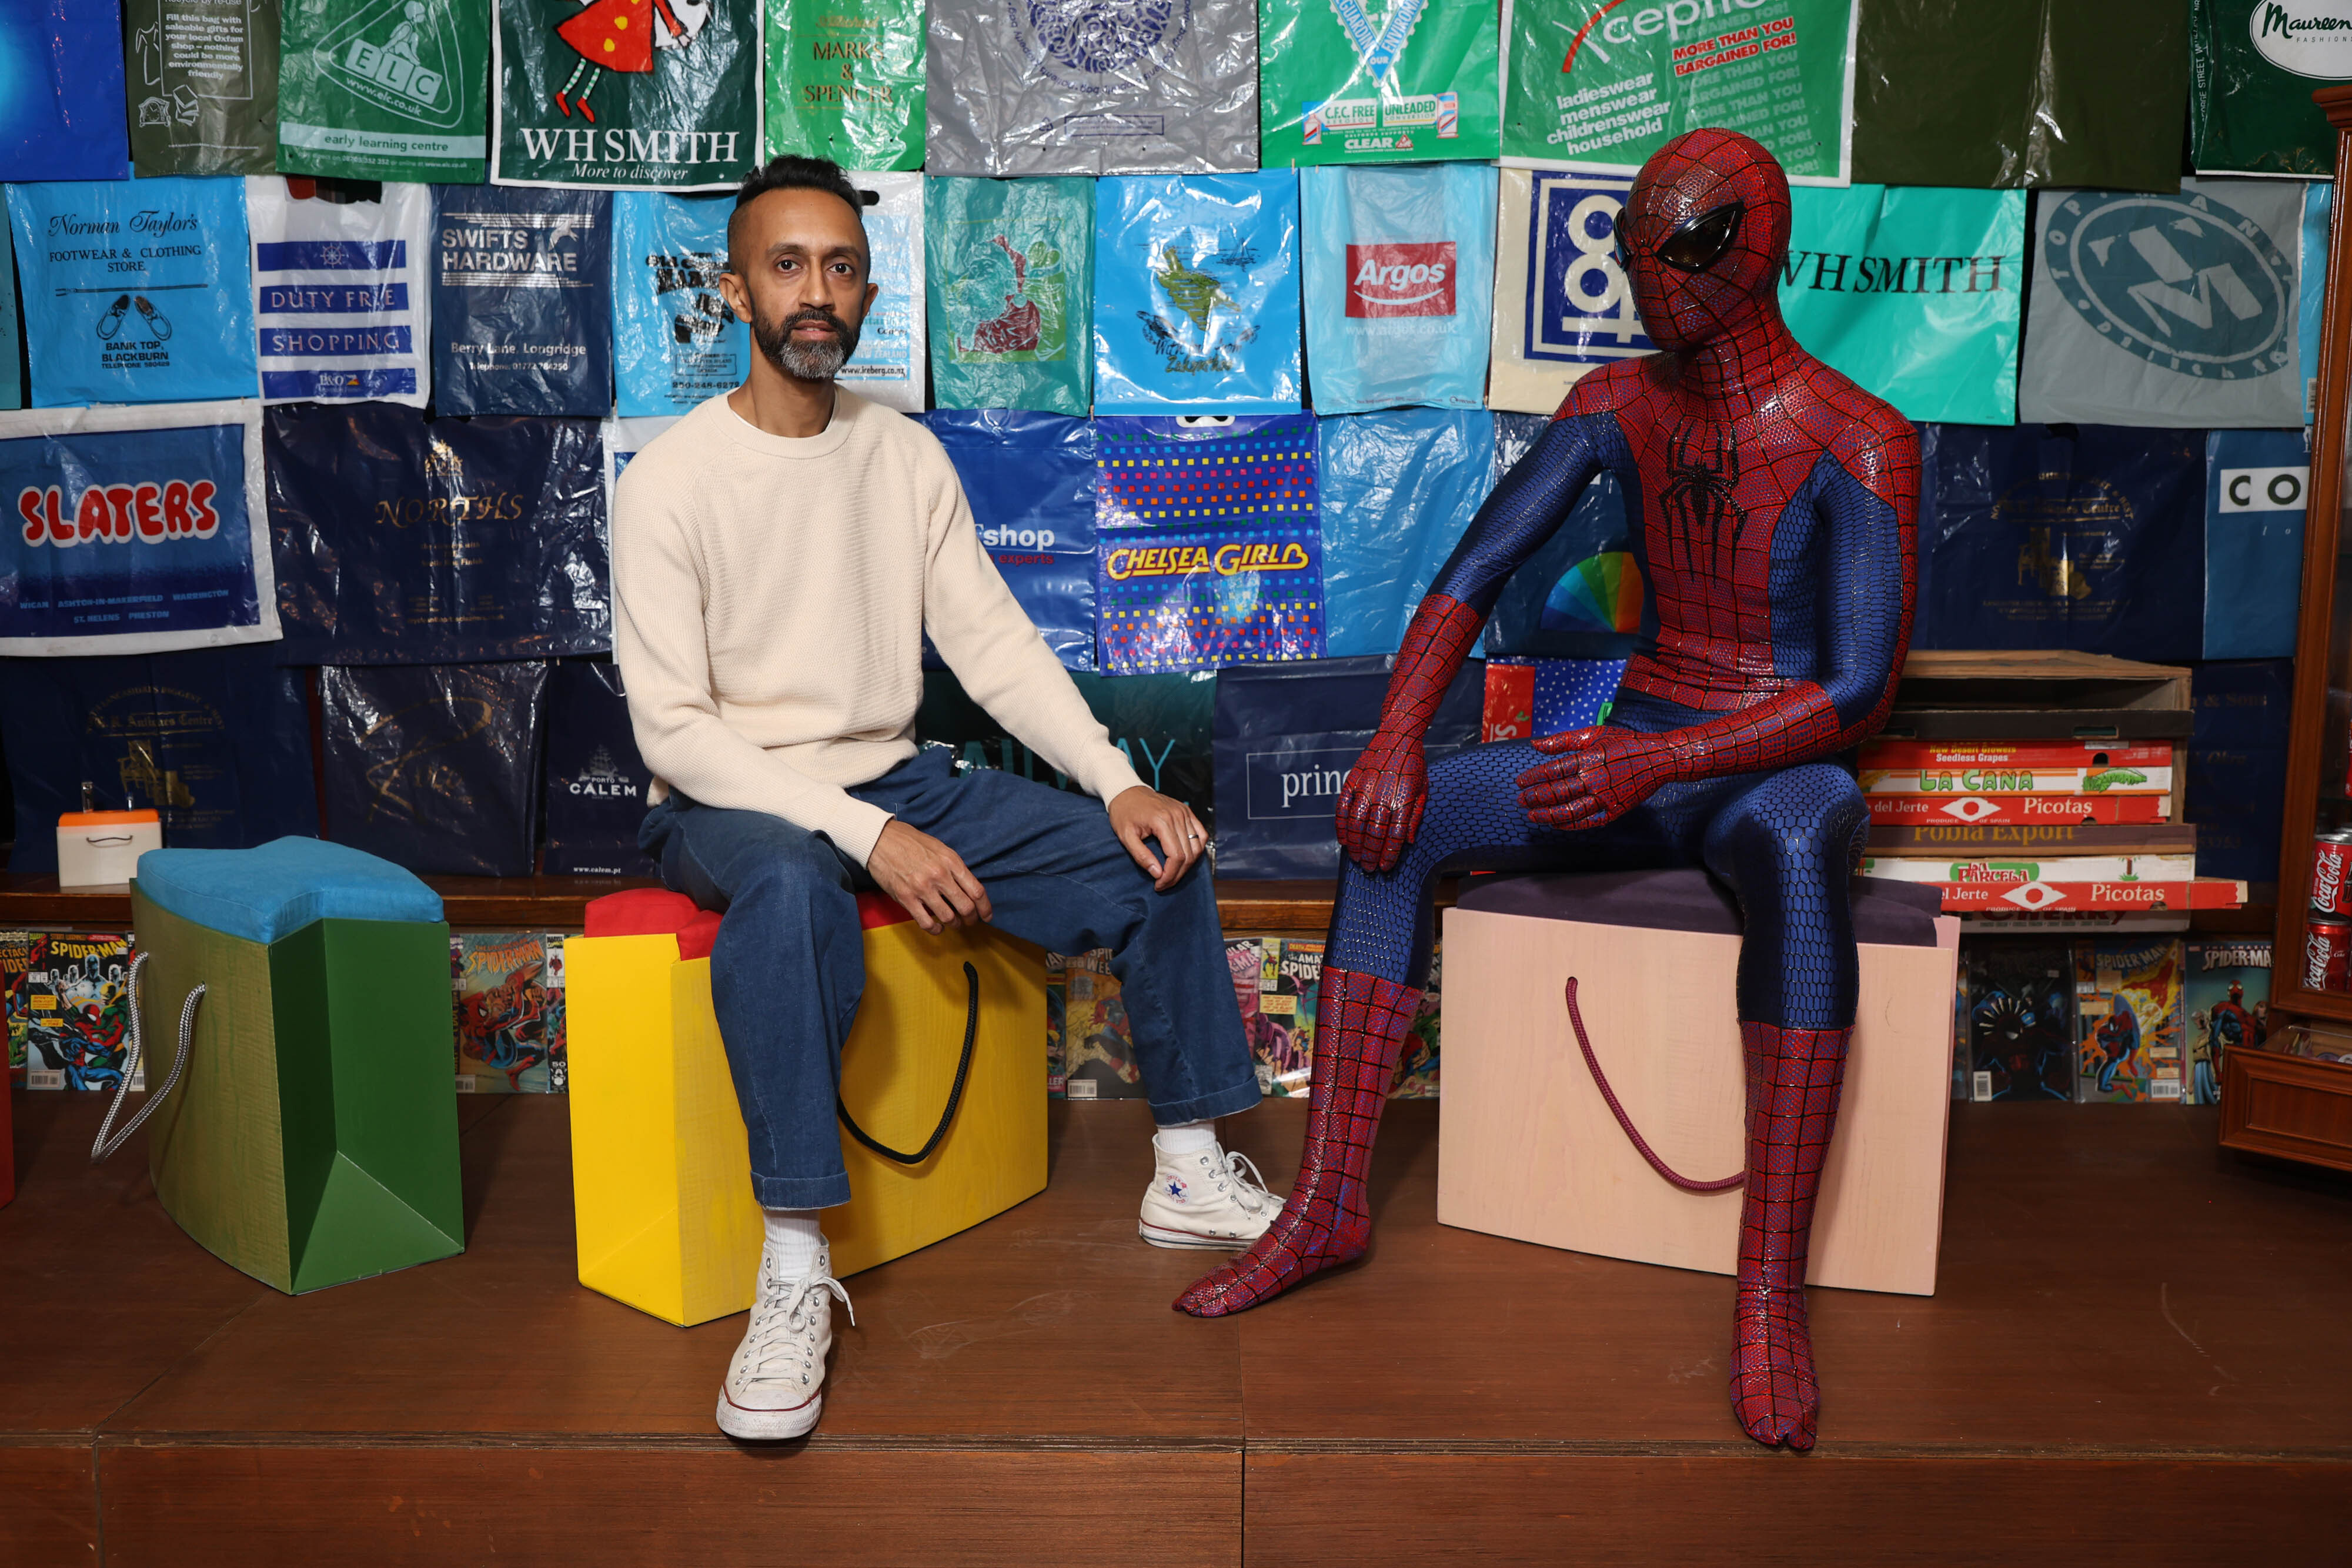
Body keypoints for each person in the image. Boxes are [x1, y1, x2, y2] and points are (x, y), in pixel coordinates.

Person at [1174, 129, 1917, 1455]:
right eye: (1639, 248)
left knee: (1802, 840)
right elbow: (1469, 572)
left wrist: (1671, 756)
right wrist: (1398, 735)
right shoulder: (1611, 405)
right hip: (1639, 737)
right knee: (1398, 820)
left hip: (1768, 767)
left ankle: (1765, 1296)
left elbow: (1857, 693)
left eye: (1686, 250)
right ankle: (1327, 1200)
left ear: (1762, 249)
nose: (1656, 280)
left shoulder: (1857, 438)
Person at [611, 156, 1270, 1442]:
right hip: (724, 795)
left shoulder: (900, 457)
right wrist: (868, 832)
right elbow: (674, 730)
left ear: (866, 292)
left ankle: (1186, 1166)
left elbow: (996, 647)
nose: (817, 292)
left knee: (1152, 854)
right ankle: (794, 1261)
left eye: (841, 267)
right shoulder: (669, 482)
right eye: (787, 266)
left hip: (890, 772)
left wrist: (1121, 779)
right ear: (737, 287)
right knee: (795, 885)